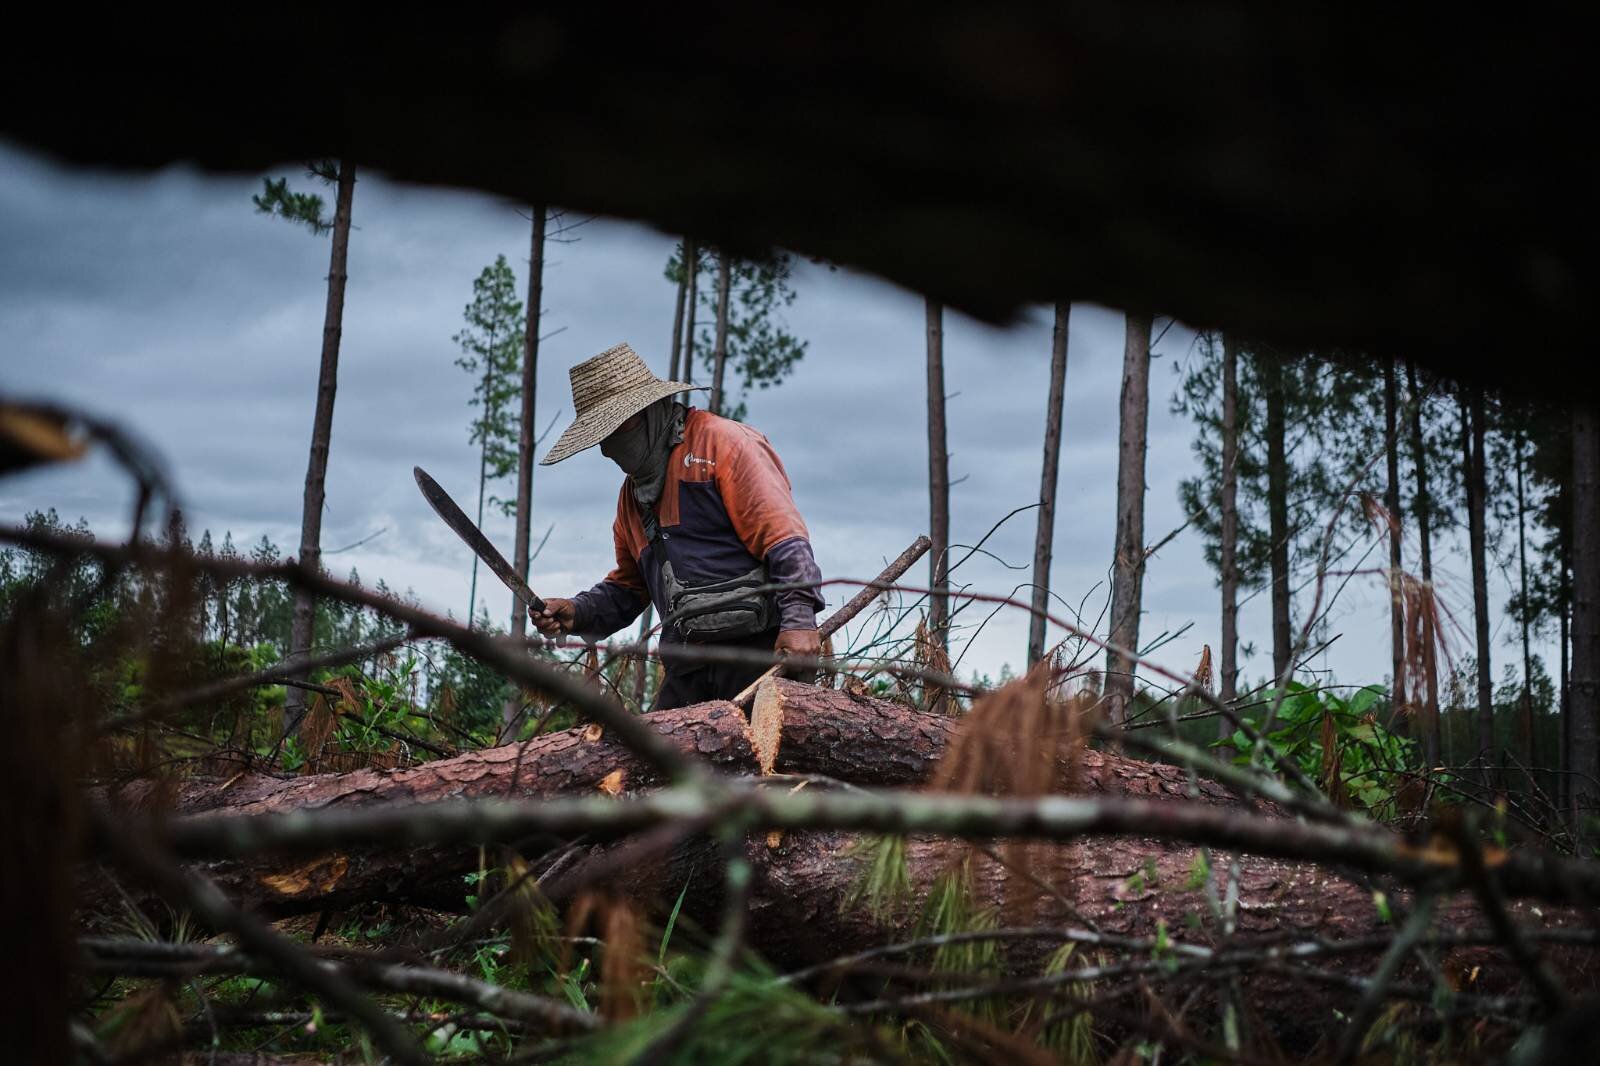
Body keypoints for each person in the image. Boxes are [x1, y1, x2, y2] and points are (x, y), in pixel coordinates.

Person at [532, 342, 824, 709]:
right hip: (687, 667)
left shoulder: (724, 446)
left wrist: (799, 618)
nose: (612, 447)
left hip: (758, 656)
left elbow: (784, 540)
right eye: (603, 437)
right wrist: (578, 612)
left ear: (650, 410)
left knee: (766, 759)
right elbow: (630, 588)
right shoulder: (632, 500)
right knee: (660, 763)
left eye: (619, 428)